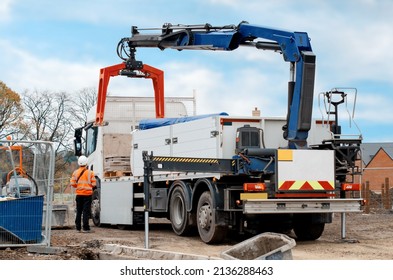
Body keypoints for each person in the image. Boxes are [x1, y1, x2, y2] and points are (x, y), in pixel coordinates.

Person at [70, 155, 96, 233]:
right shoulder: (90, 173)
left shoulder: (75, 172)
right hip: (87, 195)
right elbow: (94, 184)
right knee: (86, 211)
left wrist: (79, 186)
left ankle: (78, 228)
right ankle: (86, 228)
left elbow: (73, 184)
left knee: (79, 211)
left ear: (79, 163)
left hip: (79, 194)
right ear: (86, 163)